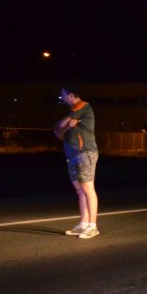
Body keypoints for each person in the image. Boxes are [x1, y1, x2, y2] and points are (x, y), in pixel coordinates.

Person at [56, 85, 99, 239]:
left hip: (85, 153)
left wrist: (64, 126)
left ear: (71, 95)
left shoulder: (82, 106)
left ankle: (93, 226)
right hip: (73, 155)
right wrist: (66, 126)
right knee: (80, 191)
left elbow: (59, 126)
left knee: (88, 189)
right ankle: (83, 224)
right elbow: (58, 133)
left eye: (63, 95)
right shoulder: (74, 113)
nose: (62, 98)